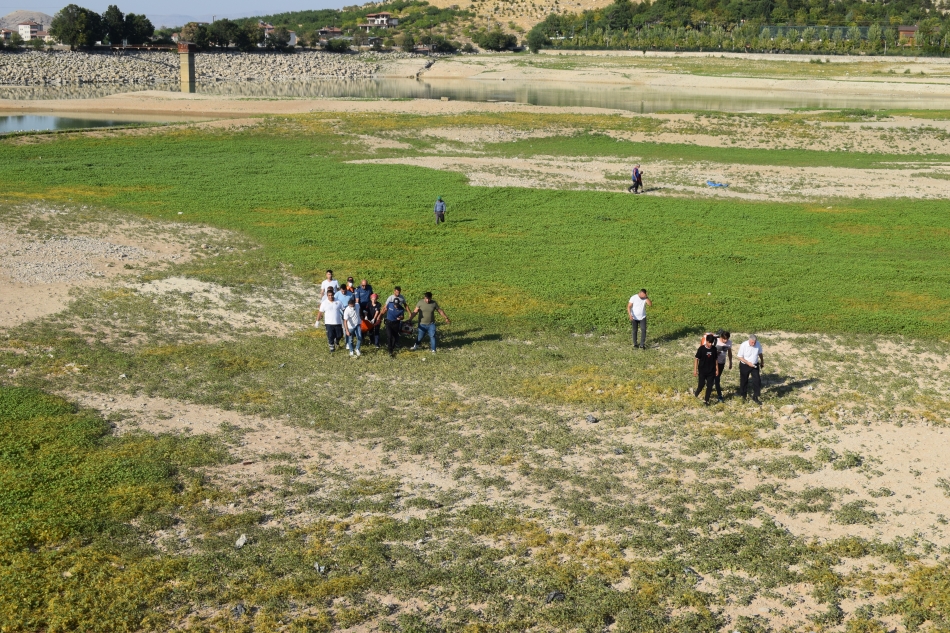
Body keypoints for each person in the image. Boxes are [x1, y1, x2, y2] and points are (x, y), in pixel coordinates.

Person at [737, 334, 764, 404]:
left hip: (755, 365)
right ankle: (743, 395)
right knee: (744, 380)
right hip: (745, 365)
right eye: (752, 342)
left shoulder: (758, 344)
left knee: (757, 380)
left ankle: (756, 396)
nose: (753, 344)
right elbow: (740, 357)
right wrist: (747, 362)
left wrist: (762, 361)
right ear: (749, 340)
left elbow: (760, 353)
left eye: (754, 342)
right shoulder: (743, 345)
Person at [316, 287, 345, 352]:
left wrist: (346, 317)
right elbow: (320, 312)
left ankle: (336, 341)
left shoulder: (338, 301)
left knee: (340, 335)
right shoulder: (324, 303)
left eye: (331, 295)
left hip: (338, 322)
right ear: (327, 296)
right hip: (328, 323)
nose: (330, 296)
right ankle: (332, 347)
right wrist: (317, 321)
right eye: (329, 295)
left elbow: (343, 309)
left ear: (333, 294)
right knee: (330, 335)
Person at [694, 334, 719, 405]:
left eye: (712, 343)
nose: (710, 344)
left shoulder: (714, 349)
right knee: (701, 384)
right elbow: (696, 359)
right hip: (702, 370)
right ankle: (697, 392)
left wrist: (717, 369)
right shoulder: (701, 349)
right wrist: (695, 370)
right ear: (706, 341)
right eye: (709, 342)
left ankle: (706, 400)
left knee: (710, 386)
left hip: (711, 370)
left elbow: (715, 360)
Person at [384, 291, 407, 356]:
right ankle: (390, 350)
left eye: (397, 305)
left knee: (394, 337)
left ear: (399, 304)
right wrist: (380, 316)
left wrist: (400, 318)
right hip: (388, 322)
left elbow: (402, 317)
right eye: (395, 304)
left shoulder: (401, 309)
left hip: (396, 323)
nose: (395, 306)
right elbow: (385, 309)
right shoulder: (390, 304)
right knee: (389, 336)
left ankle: (392, 347)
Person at [715, 330, 733, 403]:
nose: (725, 341)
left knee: (717, 377)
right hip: (713, 363)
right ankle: (720, 396)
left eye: (727, 339)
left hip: (722, 363)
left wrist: (730, 362)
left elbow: (729, 352)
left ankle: (711, 383)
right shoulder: (715, 341)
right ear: (721, 337)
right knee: (717, 380)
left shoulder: (729, 343)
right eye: (724, 339)